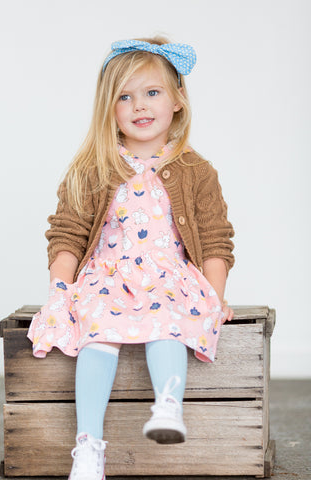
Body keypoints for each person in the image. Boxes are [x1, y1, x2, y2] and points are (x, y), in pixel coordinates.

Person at [27, 36, 235, 480]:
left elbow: (216, 239)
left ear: (178, 99)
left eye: (152, 92)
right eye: (125, 96)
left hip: (169, 278)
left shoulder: (198, 171)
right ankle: (88, 450)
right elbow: (66, 232)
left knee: (168, 320)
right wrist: (59, 291)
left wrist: (214, 297)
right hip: (109, 277)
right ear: (110, 108)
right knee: (96, 332)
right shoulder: (93, 167)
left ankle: (168, 406)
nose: (139, 105)